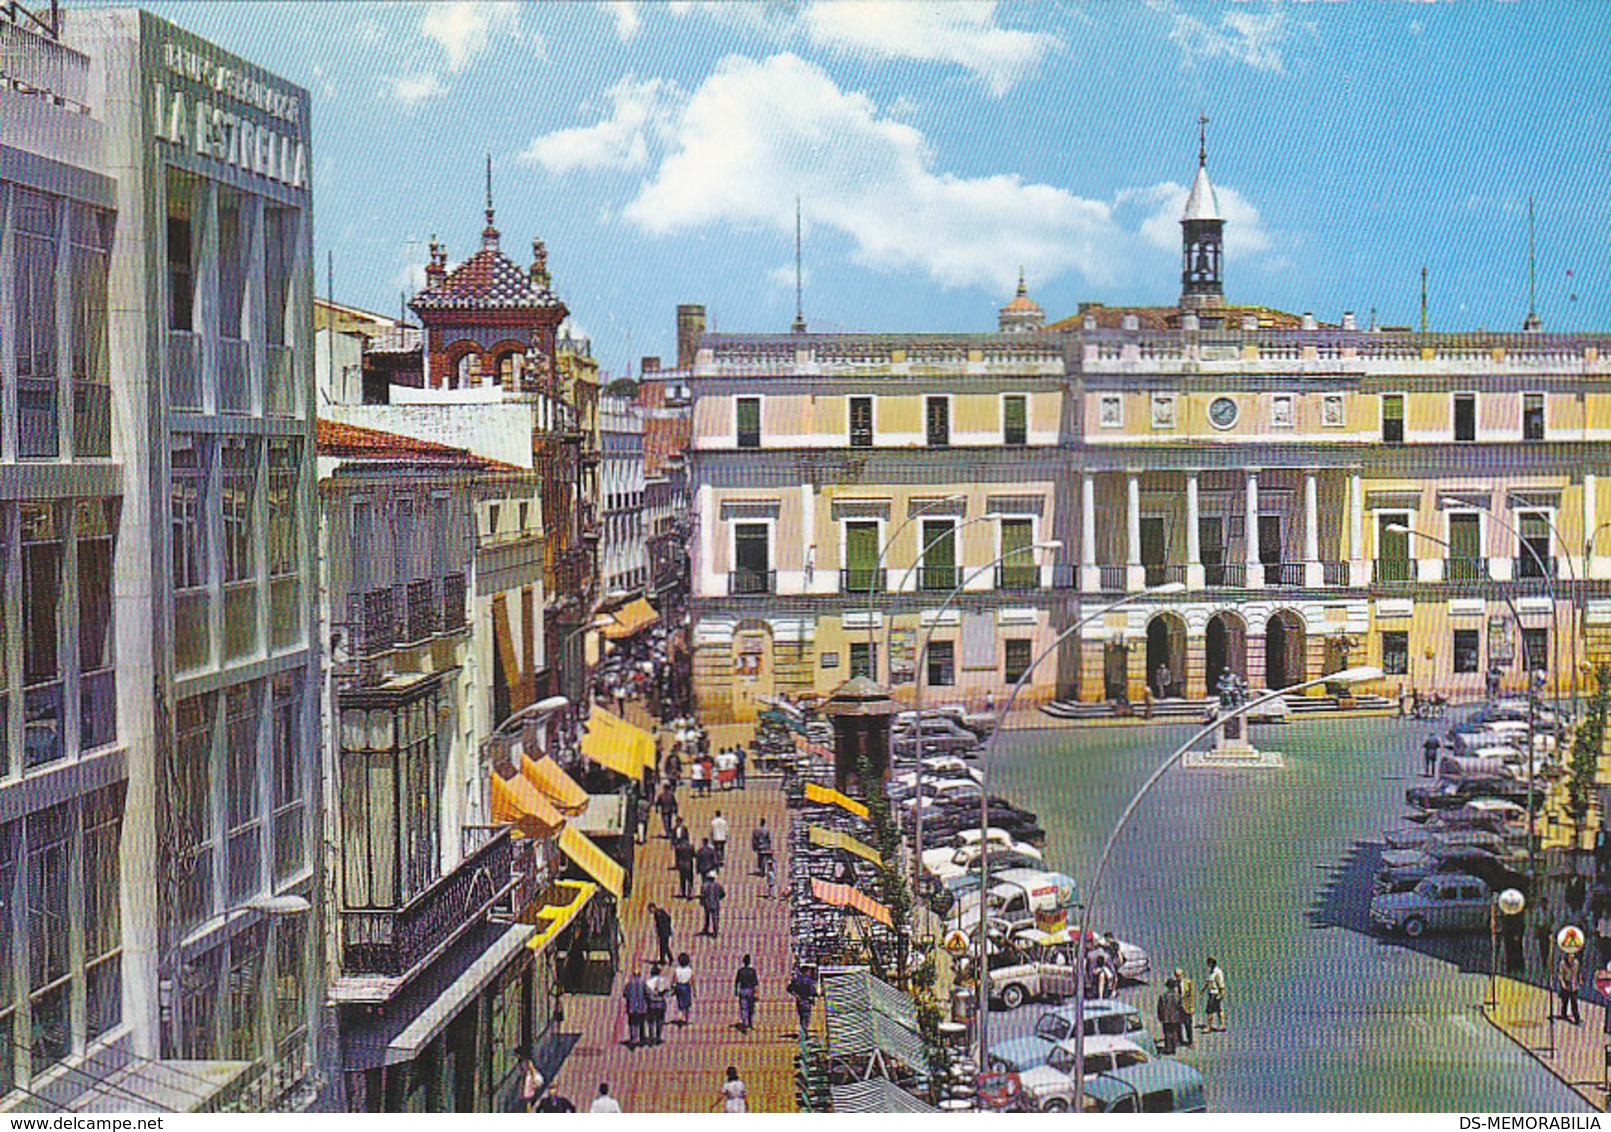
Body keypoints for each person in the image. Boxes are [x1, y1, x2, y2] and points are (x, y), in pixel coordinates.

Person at [622, 968, 649, 1049]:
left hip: (632, 1007)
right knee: (641, 1023)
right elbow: (647, 992)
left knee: (633, 1023)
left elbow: (625, 994)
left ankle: (634, 1038)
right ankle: (642, 1039)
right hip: (641, 1007)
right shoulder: (643, 983)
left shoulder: (629, 983)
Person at [1157, 976, 1184, 1054]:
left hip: (1166, 1017)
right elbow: (1180, 1007)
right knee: (1174, 1032)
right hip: (1175, 1017)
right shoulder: (1178, 996)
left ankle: (1168, 1047)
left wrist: (1160, 1016)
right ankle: (1173, 1047)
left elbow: (1160, 1007)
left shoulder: (1163, 996)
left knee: (1167, 1032)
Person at [786, 966, 817, 1035]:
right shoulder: (808, 980)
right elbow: (813, 991)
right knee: (806, 1017)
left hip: (800, 1000)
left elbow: (789, 989)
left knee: (801, 1016)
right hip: (807, 1000)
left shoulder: (797, 980)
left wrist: (796, 996)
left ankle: (803, 1030)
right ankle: (804, 1030)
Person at [1558, 946, 1584, 1025]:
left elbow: (1578, 972)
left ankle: (1577, 1018)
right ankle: (1564, 1013)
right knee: (1565, 1001)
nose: (1571, 959)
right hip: (1566, 984)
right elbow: (1560, 975)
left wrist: (1580, 980)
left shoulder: (1576, 963)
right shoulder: (1563, 963)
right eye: (1570, 957)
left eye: (1573, 957)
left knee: (1574, 1003)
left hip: (1574, 985)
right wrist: (1563, 984)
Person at [645, 963, 670, 1045]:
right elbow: (668, 992)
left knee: (651, 1021)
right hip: (661, 1003)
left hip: (651, 1003)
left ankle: (651, 1036)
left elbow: (646, 994)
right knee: (660, 1020)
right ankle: (658, 1036)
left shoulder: (648, 982)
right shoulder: (663, 980)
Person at [734, 954, 759, 1032]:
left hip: (743, 990)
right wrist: (757, 993)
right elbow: (755, 984)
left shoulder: (740, 971)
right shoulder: (752, 971)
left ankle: (745, 1023)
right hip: (750, 990)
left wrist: (736, 991)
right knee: (751, 1008)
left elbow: (737, 982)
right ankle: (750, 1023)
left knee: (744, 1008)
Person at [1203, 957, 1227, 1032]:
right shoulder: (1211, 971)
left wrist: (1222, 993)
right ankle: (1222, 1025)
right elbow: (1208, 981)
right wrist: (1203, 989)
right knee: (1218, 1009)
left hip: (1214, 993)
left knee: (1210, 1010)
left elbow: (1221, 984)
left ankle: (1208, 1026)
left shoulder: (1217, 972)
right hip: (1212, 992)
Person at [517, 1047, 544, 1112]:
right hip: (525, 1080)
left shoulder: (528, 1061)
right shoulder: (521, 1062)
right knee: (525, 1098)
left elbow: (533, 1070)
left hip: (528, 1080)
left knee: (528, 1099)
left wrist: (534, 1081)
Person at [673, 952, 695, 1026]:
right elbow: (692, 980)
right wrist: (694, 990)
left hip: (679, 986)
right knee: (687, 1004)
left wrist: (673, 987)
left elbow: (674, 979)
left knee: (680, 1003)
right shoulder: (689, 970)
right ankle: (686, 1018)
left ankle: (680, 1017)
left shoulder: (677, 970)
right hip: (686, 986)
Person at [1176, 967, 1196, 1047]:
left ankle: (1190, 1041)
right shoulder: (1174, 984)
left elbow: (1191, 995)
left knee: (1188, 1025)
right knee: (1178, 1025)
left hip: (1186, 1007)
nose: (1178, 977)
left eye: (1179, 975)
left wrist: (1192, 1007)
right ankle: (1180, 1040)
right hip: (1178, 1008)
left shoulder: (1187, 983)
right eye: (1177, 976)